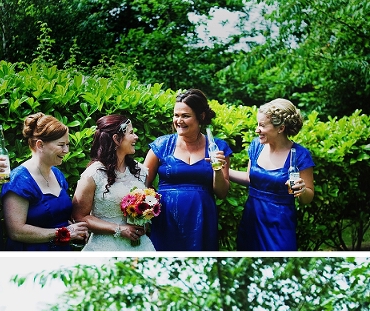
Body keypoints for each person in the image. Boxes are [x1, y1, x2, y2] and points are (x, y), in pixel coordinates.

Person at [144, 89, 231, 251]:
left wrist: (218, 169)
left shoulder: (218, 147)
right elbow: (142, 184)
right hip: (166, 218)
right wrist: (152, 207)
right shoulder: (161, 145)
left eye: (185, 116)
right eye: (176, 115)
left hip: (202, 218)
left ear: (201, 117)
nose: (179, 120)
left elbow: (222, 193)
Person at [230, 98, 315, 251]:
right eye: (257, 124)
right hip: (252, 220)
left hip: (279, 224)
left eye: (262, 125)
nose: (257, 130)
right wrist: (221, 171)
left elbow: (308, 198)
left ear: (280, 128)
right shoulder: (256, 146)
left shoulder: (300, 155)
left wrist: (302, 190)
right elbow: (250, 178)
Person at [1, 112, 88, 249]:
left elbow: (58, 215)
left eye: (67, 144)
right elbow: (16, 232)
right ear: (40, 145)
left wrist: (75, 229)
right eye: (61, 145)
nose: (66, 150)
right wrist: (64, 233)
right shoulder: (19, 180)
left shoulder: (58, 175)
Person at [72, 114, 155, 250]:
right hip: (105, 246)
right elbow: (79, 216)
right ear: (116, 139)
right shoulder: (93, 174)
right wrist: (118, 229)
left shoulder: (141, 171)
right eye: (131, 133)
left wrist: (144, 221)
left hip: (140, 246)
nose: (136, 137)